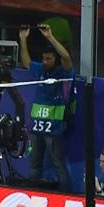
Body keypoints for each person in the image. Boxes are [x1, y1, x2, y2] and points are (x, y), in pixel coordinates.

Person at [17, 23, 76, 192]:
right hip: (36, 128)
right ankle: (32, 193)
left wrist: (50, 37)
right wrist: (23, 40)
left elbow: (67, 59)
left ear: (55, 59)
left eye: (48, 58)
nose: (45, 61)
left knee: (58, 163)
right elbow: (27, 62)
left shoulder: (61, 72)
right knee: (34, 164)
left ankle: (66, 195)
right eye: (43, 58)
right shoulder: (40, 69)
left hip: (54, 129)